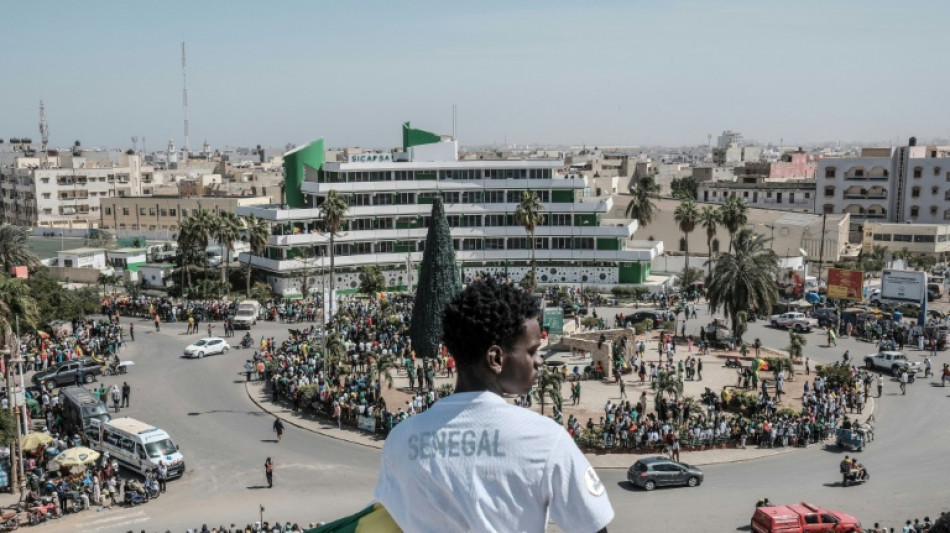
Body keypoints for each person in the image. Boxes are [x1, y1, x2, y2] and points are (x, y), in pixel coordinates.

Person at [374, 279, 614, 533]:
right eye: (532, 351)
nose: (539, 361)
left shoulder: (400, 438)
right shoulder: (545, 439)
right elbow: (593, 528)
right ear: (496, 358)